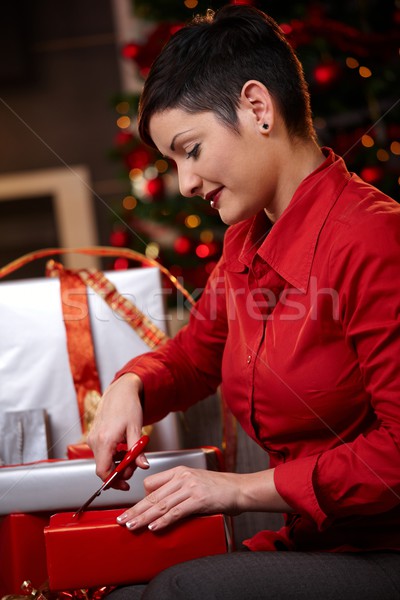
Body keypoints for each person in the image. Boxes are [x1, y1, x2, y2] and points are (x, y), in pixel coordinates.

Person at [88, 5, 400, 599]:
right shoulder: (243, 240)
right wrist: (130, 385)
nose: (184, 183)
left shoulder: (374, 237)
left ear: (258, 109)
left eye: (191, 149)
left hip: (385, 549)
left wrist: (239, 489)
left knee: (183, 591)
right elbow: (196, 356)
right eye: (172, 162)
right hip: (317, 545)